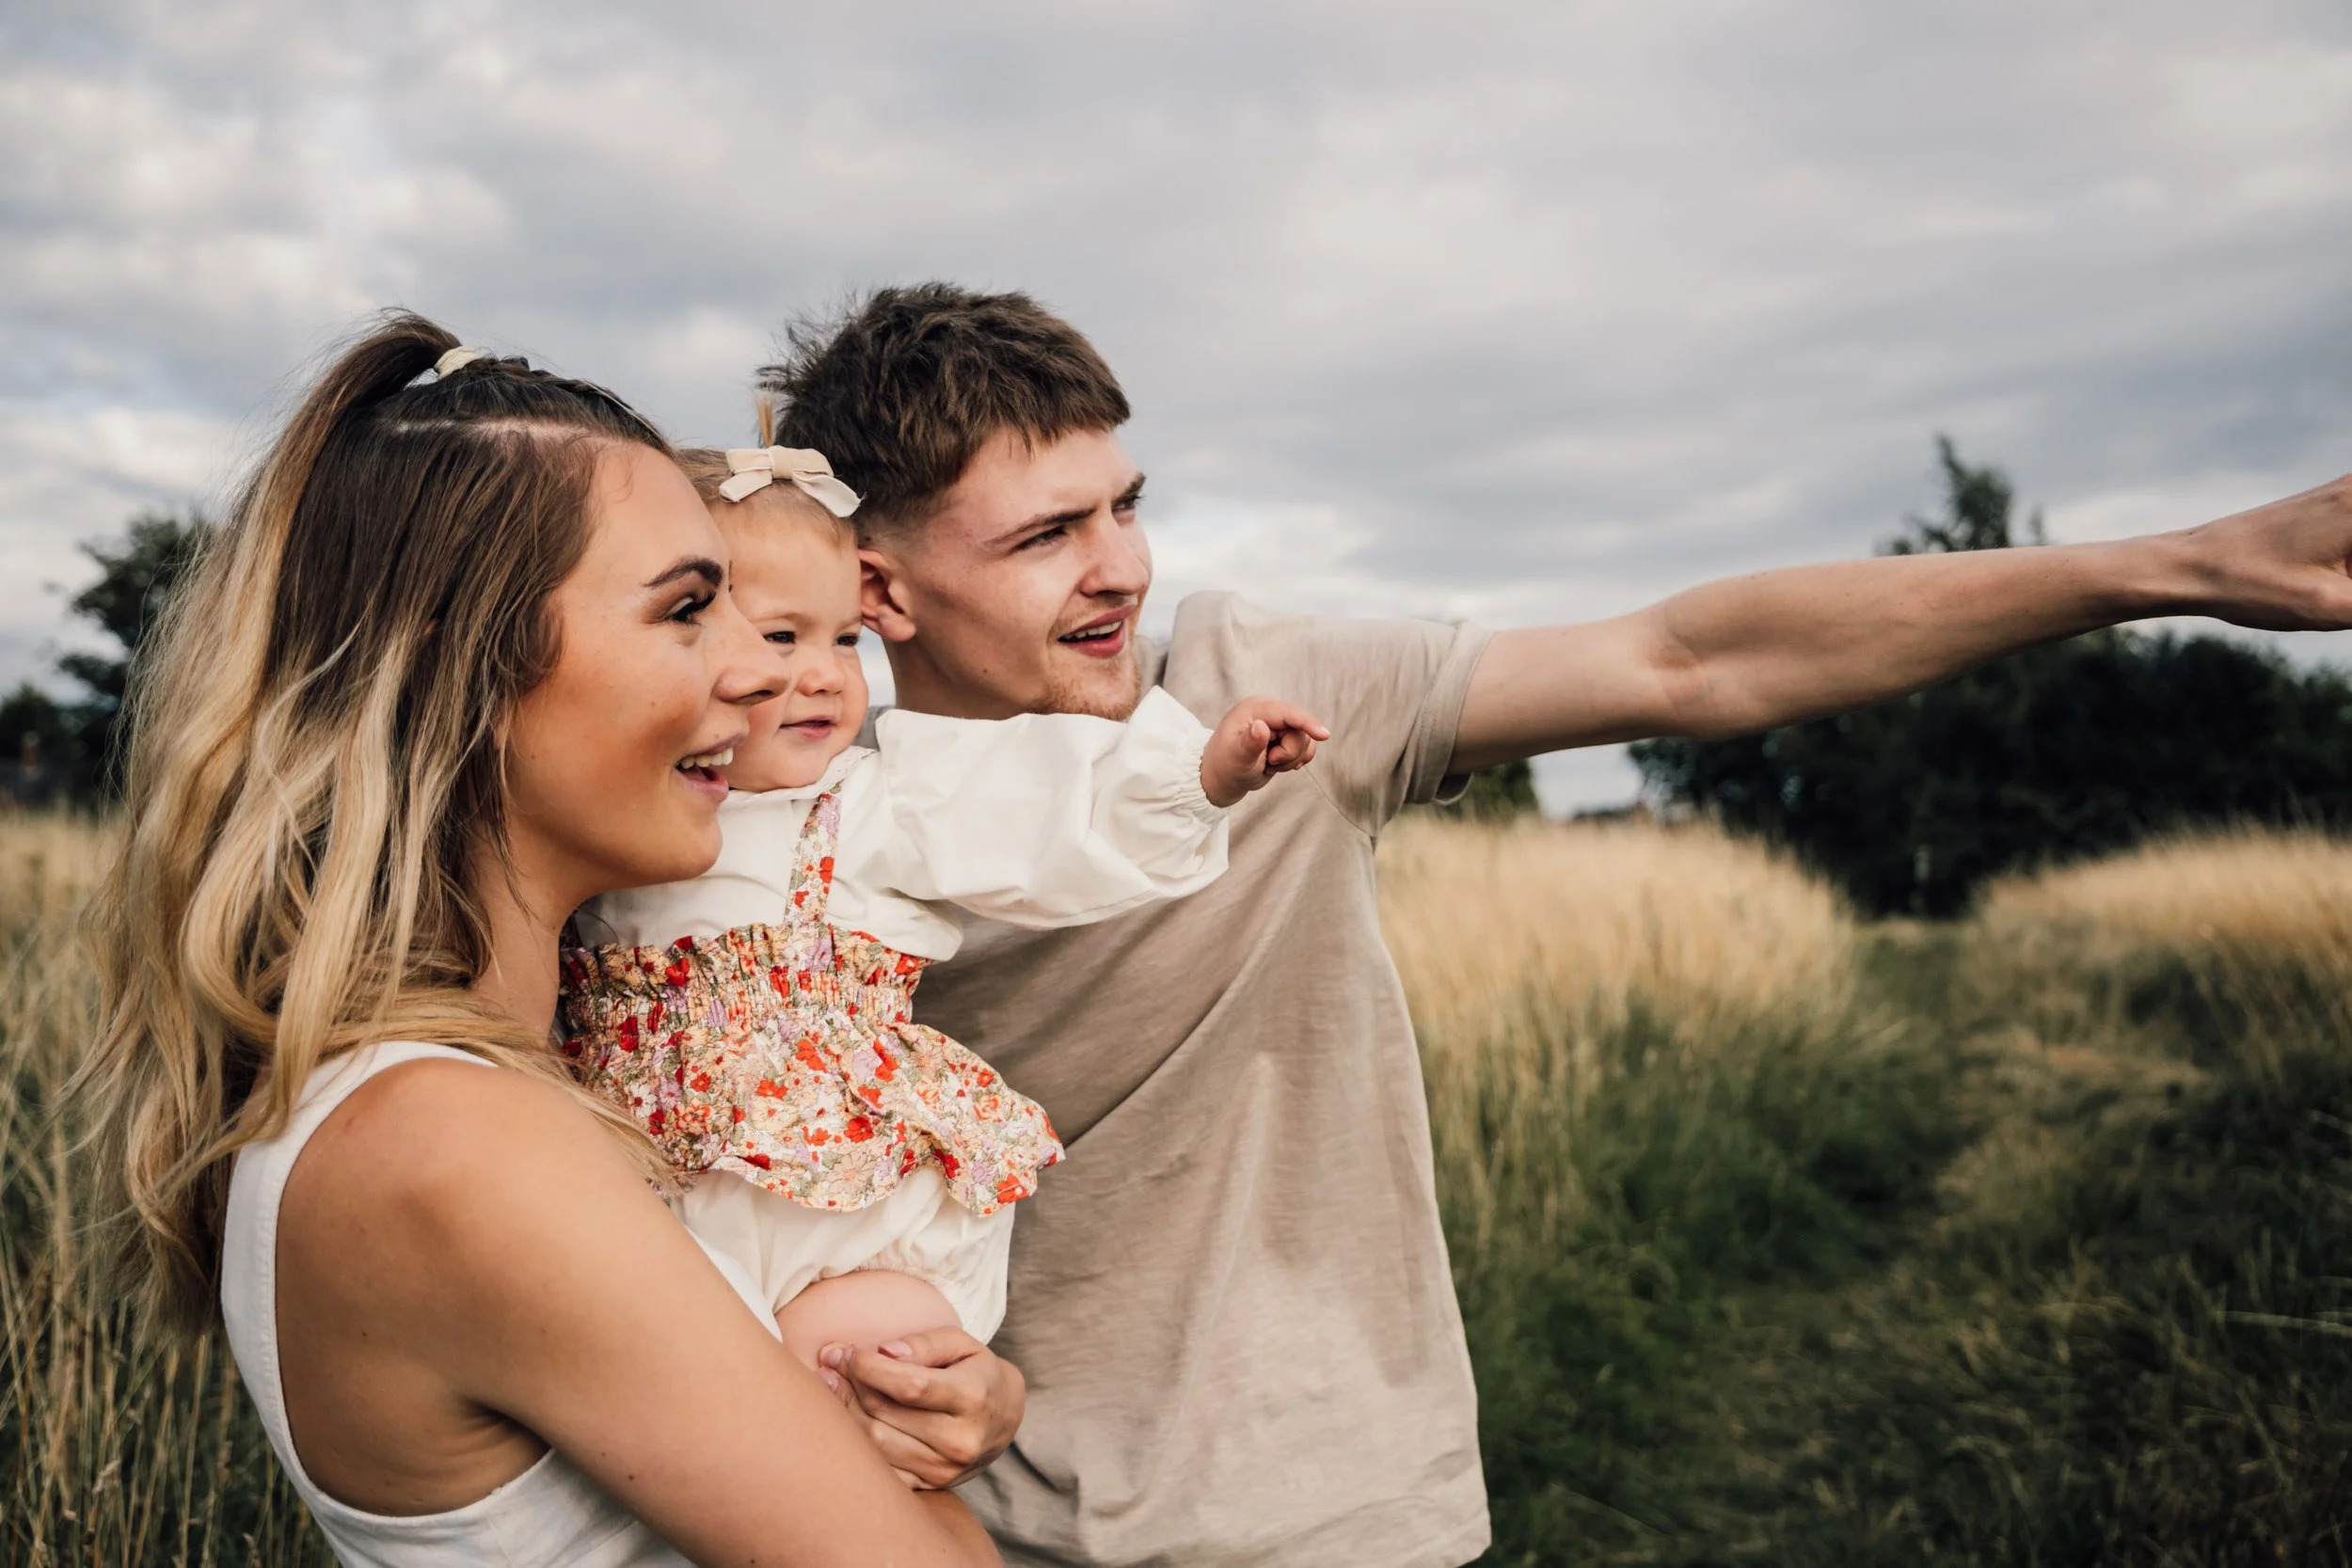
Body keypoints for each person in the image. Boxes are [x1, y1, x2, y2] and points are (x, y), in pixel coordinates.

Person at [761, 282, 2352, 1568]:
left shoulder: (1260, 690)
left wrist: (2180, 565)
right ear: (881, 592)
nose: (1120, 566)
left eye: (1125, 505)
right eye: (1046, 537)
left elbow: (1688, 661)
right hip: (981, 1529)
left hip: (1340, 1517)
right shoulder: (793, 839)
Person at [72, 315, 1018, 1567]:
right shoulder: (449, 1142)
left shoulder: (491, 1086)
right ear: (465, 668)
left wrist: (947, 1401)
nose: (752, 671)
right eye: (689, 608)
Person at [560, 439, 1325, 1387]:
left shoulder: (877, 800)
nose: (826, 674)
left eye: (844, 639)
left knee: (839, 1380)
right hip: (655, 1194)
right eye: (778, 636)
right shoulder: (623, 815)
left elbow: (1034, 803)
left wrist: (1199, 773)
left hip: (837, 1225)